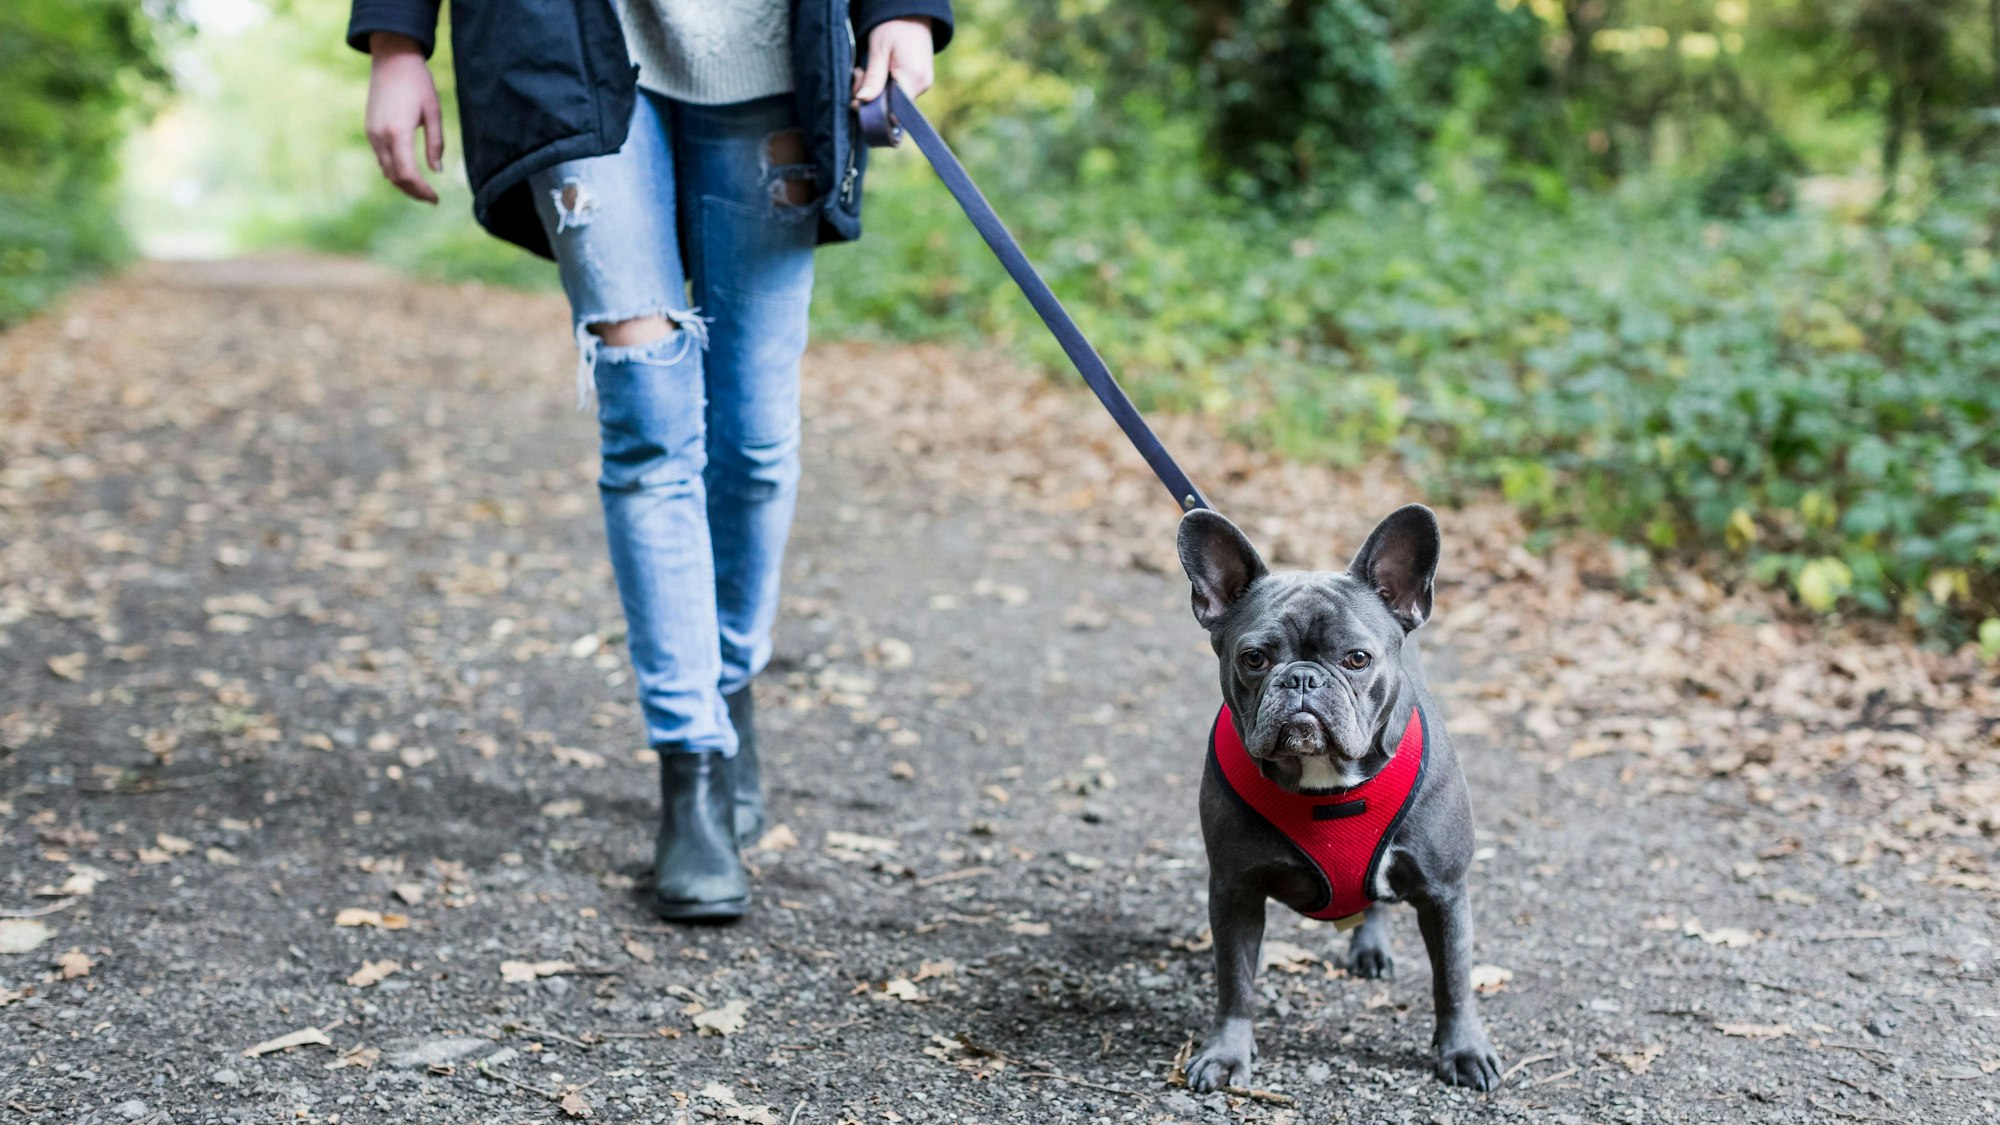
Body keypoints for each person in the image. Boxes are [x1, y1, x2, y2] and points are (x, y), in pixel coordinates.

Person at [346, 0, 952, 922]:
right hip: (565, 54)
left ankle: (728, 680)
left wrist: (902, 8)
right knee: (648, 423)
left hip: (775, 64)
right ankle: (693, 766)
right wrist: (396, 41)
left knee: (752, 440)